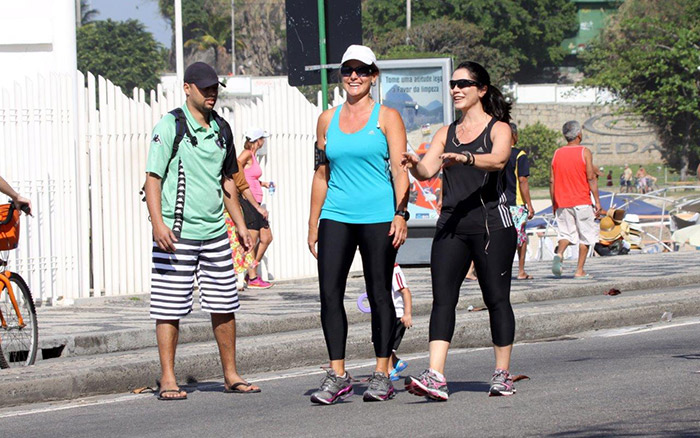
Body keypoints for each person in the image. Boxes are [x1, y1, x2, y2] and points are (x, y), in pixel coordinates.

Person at [401, 61, 518, 399]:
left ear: (481, 89)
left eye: (464, 83)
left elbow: (497, 160)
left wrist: (465, 158)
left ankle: (501, 373)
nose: (456, 89)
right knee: (443, 300)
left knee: (496, 299)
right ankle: (436, 375)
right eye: (453, 83)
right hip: (451, 224)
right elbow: (427, 169)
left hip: (492, 224)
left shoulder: (500, 129)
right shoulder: (445, 132)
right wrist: (415, 164)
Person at [144, 62, 260, 400]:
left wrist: (240, 226)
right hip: (176, 233)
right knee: (169, 307)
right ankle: (168, 378)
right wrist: (158, 224)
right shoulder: (170, 126)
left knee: (225, 302)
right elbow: (152, 178)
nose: (212, 93)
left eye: (215, 88)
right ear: (187, 88)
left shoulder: (222, 130)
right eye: (205, 87)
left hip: (214, 233)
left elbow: (227, 182)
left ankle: (231, 374)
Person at [307, 44, 410, 404]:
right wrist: (313, 221)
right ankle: (338, 375)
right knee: (329, 294)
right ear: (341, 76)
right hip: (336, 214)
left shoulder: (387, 117)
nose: (354, 76)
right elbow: (322, 173)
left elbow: (400, 171)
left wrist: (401, 213)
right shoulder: (326, 119)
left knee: (380, 292)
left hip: (378, 216)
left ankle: (382, 373)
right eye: (348, 70)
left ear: (373, 76)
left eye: (362, 70)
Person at [550, 120, 601, 279]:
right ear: (579, 134)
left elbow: (552, 180)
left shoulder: (557, 153)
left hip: (562, 202)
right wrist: (597, 201)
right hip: (581, 200)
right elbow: (591, 178)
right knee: (586, 236)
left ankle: (559, 253)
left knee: (566, 234)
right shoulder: (584, 152)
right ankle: (579, 270)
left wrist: (554, 203)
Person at [238, 129, 274, 289]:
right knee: (251, 240)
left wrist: (262, 183)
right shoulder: (246, 153)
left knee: (266, 238)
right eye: (262, 139)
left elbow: (248, 176)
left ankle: (251, 270)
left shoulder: (252, 156)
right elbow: (236, 169)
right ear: (257, 140)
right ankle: (252, 277)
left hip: (257, 203)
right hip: (248, 202)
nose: (264, 142)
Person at [504, 122, 535, 280]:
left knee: (499, 238)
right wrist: (529, 204)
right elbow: (522, 180)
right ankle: (521, 270)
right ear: (514, 136)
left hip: (499, 203)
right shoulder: (519, 155)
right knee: (520, 238)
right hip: (516, 204)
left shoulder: (496, 154)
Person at [388, 263, 413, 382]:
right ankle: (396, 362)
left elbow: (406, 291)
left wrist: (407, 314)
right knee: (379, 342)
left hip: (396, 315)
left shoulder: (394, 269)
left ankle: (389, 370)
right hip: (385, 313)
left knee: (385, 345)